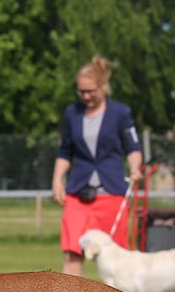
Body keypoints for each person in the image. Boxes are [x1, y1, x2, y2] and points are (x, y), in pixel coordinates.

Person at [51, 56, 143, 276]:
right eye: (81, 92)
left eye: (90, 91)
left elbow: (132, 147)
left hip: (111, 193)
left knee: (116, 255)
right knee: (73, 251)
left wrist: (134, 168)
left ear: (103, 86)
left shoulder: (120, 113)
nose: (86, 96)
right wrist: (57, 180)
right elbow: (65, 151)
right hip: (78, 193)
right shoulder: (72, 113)